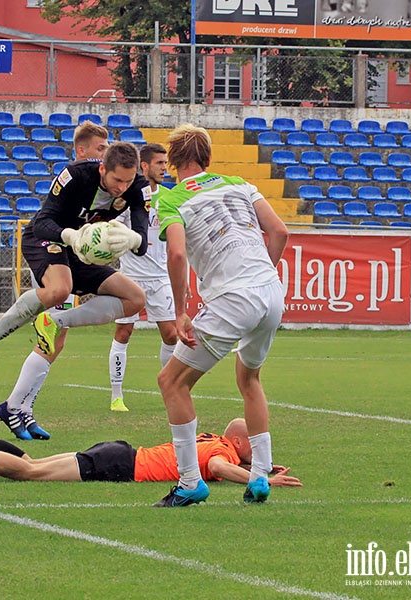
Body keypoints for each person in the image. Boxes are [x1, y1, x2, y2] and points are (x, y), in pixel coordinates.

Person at [0, 141, 152, 439]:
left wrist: (132, 239)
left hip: (81, 252)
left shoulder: (138, 188)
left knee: (134, 299)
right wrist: (70, 235)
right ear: (103, 168)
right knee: (59, 289)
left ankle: (17, 407)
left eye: (128, 181)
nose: (122, 187)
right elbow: (41, 222)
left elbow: (143, 242)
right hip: (49, 241)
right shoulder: (75, 175)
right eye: (117, 180)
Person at [154, 124, 289, 507]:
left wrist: (180, 311)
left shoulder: (172, 199)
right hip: (269, 292)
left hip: (234, 297)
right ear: (208, 158)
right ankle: (260, 475)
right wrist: (266, 275)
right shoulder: (240, 184)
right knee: (250, 378)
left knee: (172, 382)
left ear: (175, 161)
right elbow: (279, 232)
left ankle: (189, 482)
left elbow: (177, 254)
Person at [0, 121, 111, 441]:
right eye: (101, 148)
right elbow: (50, 218)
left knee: (57, 340)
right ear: (81, 150)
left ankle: (18, 408)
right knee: (56, 302)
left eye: (108, 148)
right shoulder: (77, 176)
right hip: (51, 247)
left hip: (71, 254)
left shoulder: (113, 185)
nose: (105, 153)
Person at [0, 413, 302, 491]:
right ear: (239, 442)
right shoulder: (222, 452)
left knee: (29, 463)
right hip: (119, 464)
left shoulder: (215, 439)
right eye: (255, 443)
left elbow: (216, 461)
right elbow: (218, 466)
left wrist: (260, 466)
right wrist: (260, 478)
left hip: (120, 453)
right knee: (28, 473)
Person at [108, 143, 177, 412]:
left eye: (165, 163)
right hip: (131, 277)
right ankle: (116, 395)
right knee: (123, 332)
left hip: (160, 277)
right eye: (160, 163)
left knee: (171, 335)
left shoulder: (170, 198)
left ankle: (170, 389)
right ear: (144, 166)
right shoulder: (128, 198)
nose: (164, 168)